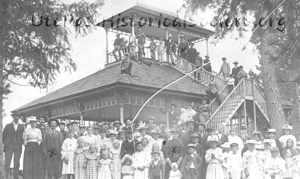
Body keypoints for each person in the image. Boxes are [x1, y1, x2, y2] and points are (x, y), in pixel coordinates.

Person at [3, 115, 24, 179]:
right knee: (7, 161)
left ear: (19, 118)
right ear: (13, 117)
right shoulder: (8, 126)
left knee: (17, 162)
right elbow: (3, 136)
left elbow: (23, 136)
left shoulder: (21, 127)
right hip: (9, 146)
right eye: (15, 117)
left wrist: (20, 142)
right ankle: (6, 176)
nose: (16, 118)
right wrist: (7, 143)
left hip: (18, 146)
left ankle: (16, 176)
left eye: (18, 117)